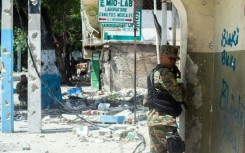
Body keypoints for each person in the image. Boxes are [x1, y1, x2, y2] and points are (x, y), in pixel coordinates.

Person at [144, 45, 186, 153]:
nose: (173, 61)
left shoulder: (152, 74)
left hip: (152, 121)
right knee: (175, 149)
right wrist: (181, 86)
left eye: (175, 59)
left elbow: (146, 100)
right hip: (165, 122)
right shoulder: (165, 73)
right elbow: (179, 96)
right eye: (171, 58)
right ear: (162, 57)